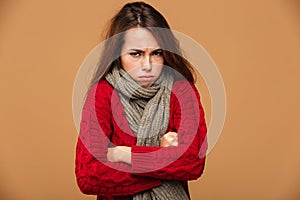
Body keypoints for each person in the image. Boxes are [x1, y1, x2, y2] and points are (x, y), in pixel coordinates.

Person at [75, 1, 207, 200]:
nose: (147, 65)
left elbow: (192, 162)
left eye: (156, 53)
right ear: (118, 54)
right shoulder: (102, 94)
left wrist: (122, 154)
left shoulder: (182, 91)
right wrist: (163, 160)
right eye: (136, 54)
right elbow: (89, 175)